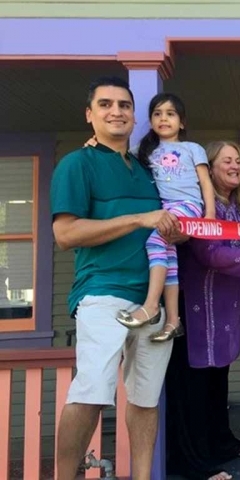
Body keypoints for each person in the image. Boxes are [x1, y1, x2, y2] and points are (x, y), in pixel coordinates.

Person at [51, 76, 178, 480]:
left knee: (145, 399)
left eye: (124, 105)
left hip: (152, 300)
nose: (116, 111)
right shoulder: (77, 163)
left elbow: (160, 227)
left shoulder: (145, 169)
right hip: (102, 293)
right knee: (91, 391)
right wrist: (139, 218)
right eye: (105, 104)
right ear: (90, 115)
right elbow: (65, 234)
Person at [165, 140, 240, 480]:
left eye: (238, 161)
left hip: (225, 309)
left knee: (218, 381)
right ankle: (195, 461)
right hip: (197, 307)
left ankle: (221, 443)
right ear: (210, 168)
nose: (234, 165)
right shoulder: (202, 206)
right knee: (195, 388)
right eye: (226, 160)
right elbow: (208, 254)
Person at [115, 93, 216, 343]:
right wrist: (93, 142)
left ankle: (150, 306)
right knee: (168, 257)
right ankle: (173, 320)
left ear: (181, 122)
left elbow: (205, 182)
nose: (163, 118)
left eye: (170, 114)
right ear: (150, 121)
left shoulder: (192, 148)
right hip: (165, 208)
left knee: (154, 242)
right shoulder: (143, 151)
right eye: (157, 114)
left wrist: (210, 214)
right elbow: (116, 159)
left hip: (188, 206)